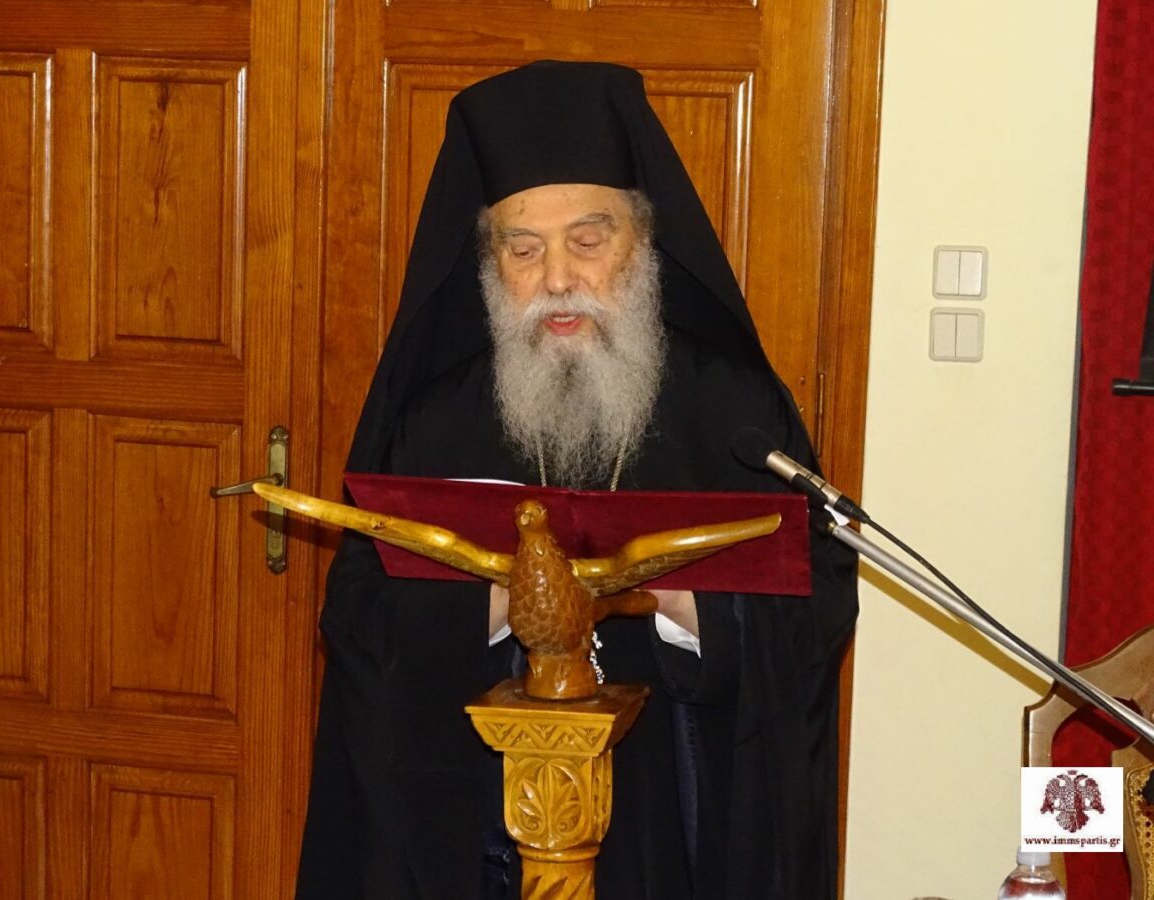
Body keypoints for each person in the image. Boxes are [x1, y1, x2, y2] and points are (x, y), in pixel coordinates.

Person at [295, 61, 858, 900]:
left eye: (588, 243)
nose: (558, 279)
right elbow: (359, 621)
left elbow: (818, 603)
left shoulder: (732, 410)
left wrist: (673, 603)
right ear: (489, 264)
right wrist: (505, 601)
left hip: (673, 827)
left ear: (643, 243)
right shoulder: (435, 421)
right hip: (480, 836)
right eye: (523, 249)